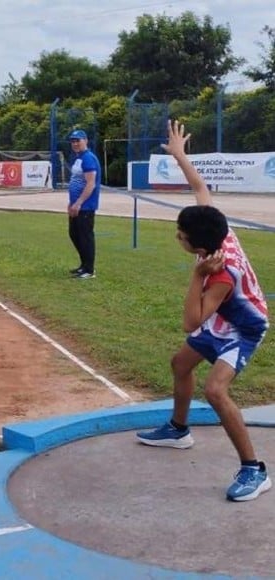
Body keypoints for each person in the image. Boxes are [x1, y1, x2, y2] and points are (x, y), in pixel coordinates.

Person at [136, 119, 270, 502]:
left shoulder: (219, 276)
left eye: (180, 235)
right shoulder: (219, 229)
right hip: (222, 317)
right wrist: (179, 155)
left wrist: (197, 278)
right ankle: (179, 430)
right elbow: (200, 188)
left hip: (245, 328)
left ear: (197, 247)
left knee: (215, 390)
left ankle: (254, 470)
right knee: (181, 364)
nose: (176, 235)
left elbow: (190, 321)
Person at [65, 129, 100, 279]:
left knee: (85, 236)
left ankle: (89, 270)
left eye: (78, 140)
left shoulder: (88, 159)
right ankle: (83, 265)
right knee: (74, 234)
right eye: (73, 141)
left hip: (85, 206)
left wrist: (79, 203)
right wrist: (71, 202)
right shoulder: (78, 158)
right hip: (76, 204)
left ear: (85, 140)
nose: (75, 143)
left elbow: (90, 183)